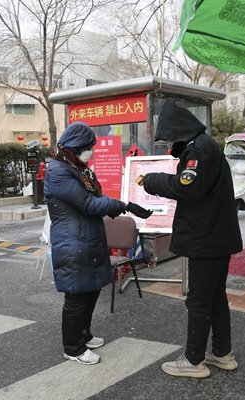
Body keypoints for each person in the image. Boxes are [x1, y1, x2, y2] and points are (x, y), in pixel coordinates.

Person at [141, 99, 243, 378]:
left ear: (178, 130)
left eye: (170, 138)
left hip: (206, 239)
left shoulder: (199, 149)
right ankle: (222, 353)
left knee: (198, 300)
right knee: (215, 297)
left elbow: (187, 188)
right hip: (216, 237)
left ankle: (193, 360)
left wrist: (153, 180)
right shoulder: (204, 145)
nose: (169, 144)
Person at [44, 122, 152, 365]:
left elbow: (96, 197)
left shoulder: (78, 167)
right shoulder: (59, 171)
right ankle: (73, 348)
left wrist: (118, 204)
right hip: (72, 242)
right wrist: (123, 206)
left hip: (86, 239)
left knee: (90, 290)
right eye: (88, 147)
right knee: (76, 297)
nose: (91, 151)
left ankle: (84, 334)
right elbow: (89, 204)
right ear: (76, 146)